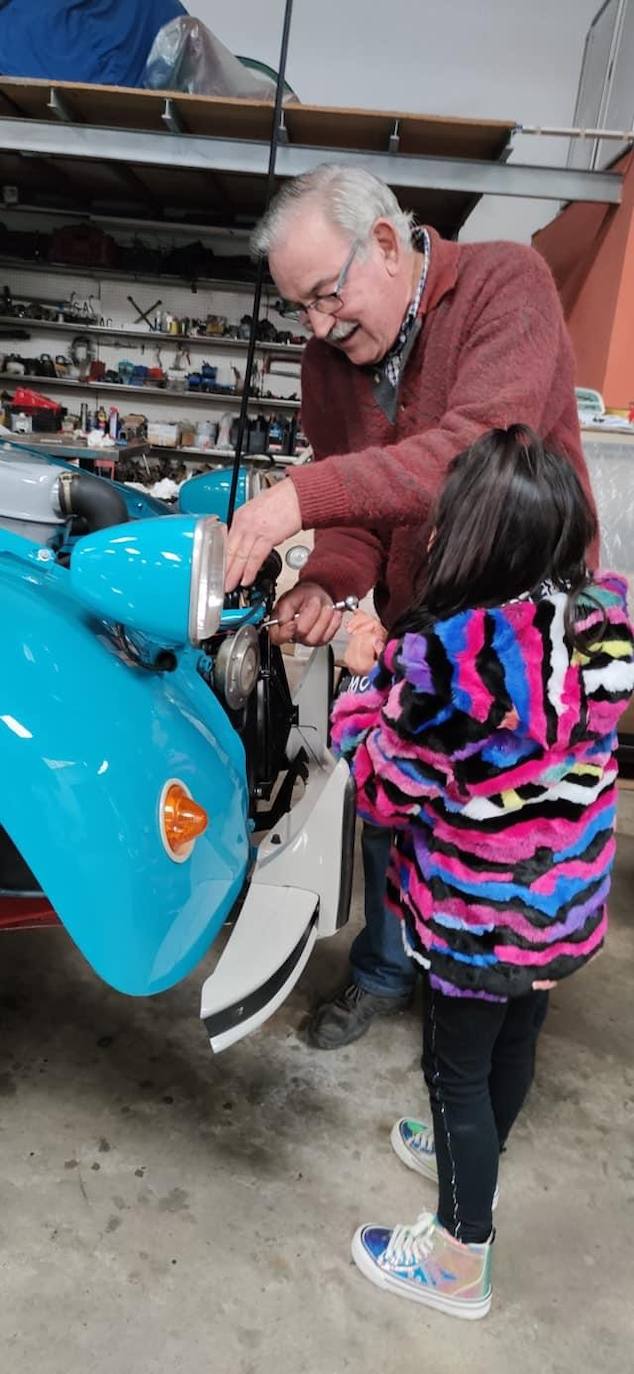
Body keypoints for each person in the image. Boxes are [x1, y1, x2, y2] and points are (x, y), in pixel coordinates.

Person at [224, 163, 599, 1049]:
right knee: (394, 789)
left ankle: (492, 984)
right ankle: (391, 966)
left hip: (523, 626)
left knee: (511, 810)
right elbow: (364, 513)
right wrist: (325, 581)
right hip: (421, 618)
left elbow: (471, 454)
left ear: (385, 245)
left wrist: (297, 497)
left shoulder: (509, 284)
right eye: (301, 309)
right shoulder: (331, 362)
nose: (318, 326)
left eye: (326, 295)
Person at [328, 425, 634, 1320]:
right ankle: (479, 1149)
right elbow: (504, 721)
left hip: (475, 920)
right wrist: (397, 667)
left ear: (468, 538)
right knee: (518, 1036)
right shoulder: (599, 624)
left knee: (453, 1071)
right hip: (559, 908)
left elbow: (384, 788)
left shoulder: (455, 672)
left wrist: (357, 685)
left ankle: (461, 1258)